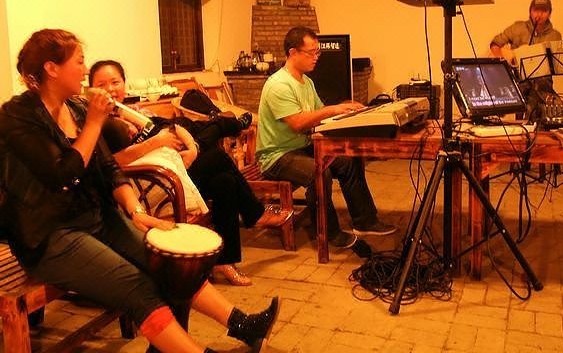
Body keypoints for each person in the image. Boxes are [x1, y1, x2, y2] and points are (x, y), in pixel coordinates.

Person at [0, 29, 279, 353]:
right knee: (139, 286)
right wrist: (95, 123)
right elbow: (60, 175)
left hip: (96, 218)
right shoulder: (16, 117)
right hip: (49, 236)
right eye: (79, 62)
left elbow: (108, 167)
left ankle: (242, 324)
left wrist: (137, 211)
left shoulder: (75, 107)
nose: (85, 69)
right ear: (52, 68)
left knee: (171, 264)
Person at [89, 60, 292, 287]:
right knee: (217, 157)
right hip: (151, 185)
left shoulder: (132, 111)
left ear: (124, 84)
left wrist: (192, 151)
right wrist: (156, 142)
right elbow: (110, 163)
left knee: (224, 181)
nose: (110, 89)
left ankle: (224, 261)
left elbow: (173, 128)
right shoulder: (96, 123)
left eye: (115, 82)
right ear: (91, 90)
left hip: (174, 171)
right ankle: (254, 213)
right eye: (101, 85)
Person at [256, 26, 396, 249]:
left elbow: (319, 114)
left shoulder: (306, 82)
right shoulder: (278, 85)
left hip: (301, 147)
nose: (316, 57)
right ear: (293, 53)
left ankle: (365, 221)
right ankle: (327, 233)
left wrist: (345, 109)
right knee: (319, 173)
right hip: (277, 156)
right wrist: (332, 110)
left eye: (317, 52)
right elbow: (298, 123)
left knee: (348, 161)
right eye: (311, 52)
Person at [489, 0, 562, 120]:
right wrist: (505, 60)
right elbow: (495, 44)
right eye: (536, 10)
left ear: (549, 13)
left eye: (544, 11)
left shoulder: (555, 35)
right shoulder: (518, 28)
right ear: (530, 11)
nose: (539, 14)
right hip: (519, 79)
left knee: (555, 107)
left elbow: (554, 63)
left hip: (541, 83)